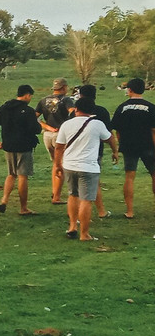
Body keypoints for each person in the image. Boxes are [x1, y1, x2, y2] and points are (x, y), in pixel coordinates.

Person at [54, 96, 112, 241]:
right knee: (86, 200)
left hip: (69, 165)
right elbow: (109, 138)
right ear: (92, 111)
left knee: (72, 195)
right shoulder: (97, 124)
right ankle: (84, 234)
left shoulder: (67, 125)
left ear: (76, 109)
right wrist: (115, 151)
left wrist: (57, 165)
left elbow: (59, 146)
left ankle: (72, 226)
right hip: (88, 167)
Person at [0, 84, 42, 215]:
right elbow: (35, 129)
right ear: (27, 95)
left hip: (8, 146)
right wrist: (39, 126)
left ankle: (4, 200)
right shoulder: (28, 110)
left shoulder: (5, 108)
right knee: (23, 176)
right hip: (24, 146)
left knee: (11, 174)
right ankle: (23, 208)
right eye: (30, 96)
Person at [110, 78, 155, 219]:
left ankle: (129, 211)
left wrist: (121, 143)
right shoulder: (151, 107)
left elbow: (117, 130)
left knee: (129, 177)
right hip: (148, 145)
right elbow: (154, 130)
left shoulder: (122, 107)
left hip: (129, 146)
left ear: (129, 90)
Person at [78, 84, 118, 219]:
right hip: (95, 151)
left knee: (76, 186)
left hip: (75, 153)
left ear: (80, 95)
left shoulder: (75, 113)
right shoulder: (102, 111)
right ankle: (101, 211)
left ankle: (76, 215)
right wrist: (115, 151)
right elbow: (109, 134)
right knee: (94, 182)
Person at [35, 78, 75, 204]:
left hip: (48, 135)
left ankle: (54, 192)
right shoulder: (67, 99)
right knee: (61, 164)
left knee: (55, 164)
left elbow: (34, 117)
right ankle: (57, 197)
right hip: (61, 135)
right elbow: (73, 113)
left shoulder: (43, 100)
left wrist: (46, 126)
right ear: (64, 88)